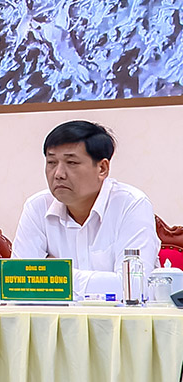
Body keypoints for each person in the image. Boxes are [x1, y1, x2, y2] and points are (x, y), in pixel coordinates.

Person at [13, 121, 158, 297]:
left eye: (71, 162)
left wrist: (55, 272)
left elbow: (132, 288)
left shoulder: (131, 204)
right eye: (51, 162)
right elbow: (18, 283)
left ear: (102, 168)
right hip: (56, 315)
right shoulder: (37, 207)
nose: (58, 174)